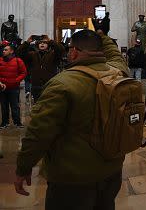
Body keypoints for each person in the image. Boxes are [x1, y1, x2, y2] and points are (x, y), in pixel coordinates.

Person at [14, 29, 129, 209]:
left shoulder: (62, 84)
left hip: (73, 177)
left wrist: (23, 167)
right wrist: (101, 33)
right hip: (111, 171)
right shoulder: (118, 71)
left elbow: (38, 132)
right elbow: (115, 55)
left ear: (74, 52)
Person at [17, 35, 65, 102]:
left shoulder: (53, 54)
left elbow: (61, 50)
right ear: (37, 45)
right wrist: (27, 42)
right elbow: (19, 53)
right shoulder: (32, 55)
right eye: (40, 42)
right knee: (37, 106)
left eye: (44, 42)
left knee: (49, 106)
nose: (42, 44)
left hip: (49, 86)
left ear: (48, 45)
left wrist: (50, 41)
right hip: (36, 86)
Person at [0, 45, 27, 128]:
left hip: (14, 87)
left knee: (15, 106)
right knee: (4, 106)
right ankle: (5, 122)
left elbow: (23, 72)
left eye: (6, 50)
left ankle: (17, 122)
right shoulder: (0, 60)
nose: (3, 51)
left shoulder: (18, 60)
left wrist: (16, 80)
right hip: (2, 88)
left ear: (11, 51)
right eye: (3, 50)